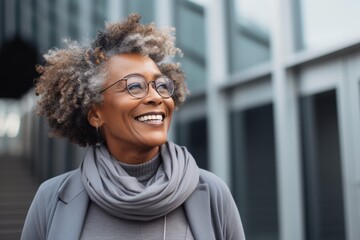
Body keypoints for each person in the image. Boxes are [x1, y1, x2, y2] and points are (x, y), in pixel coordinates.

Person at [21, 13, 245, 240]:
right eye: (135, 86)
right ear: (95, 114)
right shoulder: (52, 199)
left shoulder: (212, 193)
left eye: (160, 85)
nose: (155, 97)